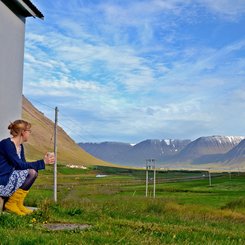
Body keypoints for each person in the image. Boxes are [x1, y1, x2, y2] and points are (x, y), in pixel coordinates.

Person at [0, 119, 55, 215]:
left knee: (32, 171)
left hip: (8, 179)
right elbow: (19, 165)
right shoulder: (7, 144)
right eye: (29, 131)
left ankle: (18, 203)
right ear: (23, 132)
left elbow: (23, 166)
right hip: (2, 181)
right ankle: (11, 204)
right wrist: (43, 162)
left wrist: (43, 161)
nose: (30, 134)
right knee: (31, 172)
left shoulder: (20, 147)